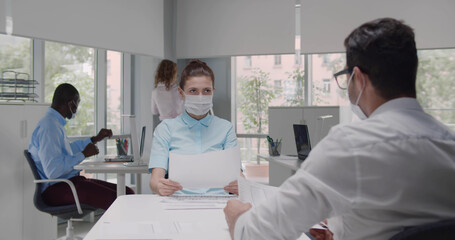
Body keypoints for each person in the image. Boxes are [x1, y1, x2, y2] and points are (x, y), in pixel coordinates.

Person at [224, 18, 455, 240]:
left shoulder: (351, 146)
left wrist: (238, 218)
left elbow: (257, 234)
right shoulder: (449, 144)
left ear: (358, 78)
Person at [28, 83, 134, 210]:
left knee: (126, 192)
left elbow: (68, 150)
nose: (76, 108)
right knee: (120, 200)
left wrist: (95, 139)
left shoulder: (54, 123)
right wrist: (83, 154)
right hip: (57, 189)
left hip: (70, 182)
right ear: (70, 103)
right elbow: (53, 171)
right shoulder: (49, 127)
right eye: (77, 103)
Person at [148, 59, 241, 196]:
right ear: (181, 93)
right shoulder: (165, 129)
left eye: (206, 91)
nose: (200, 97)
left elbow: (237, 174)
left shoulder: (225, 128)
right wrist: (159, 186)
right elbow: (155, 180)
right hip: (178, 205)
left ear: (213, 92)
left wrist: (241, 184)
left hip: (219, 205)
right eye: (193, 91)